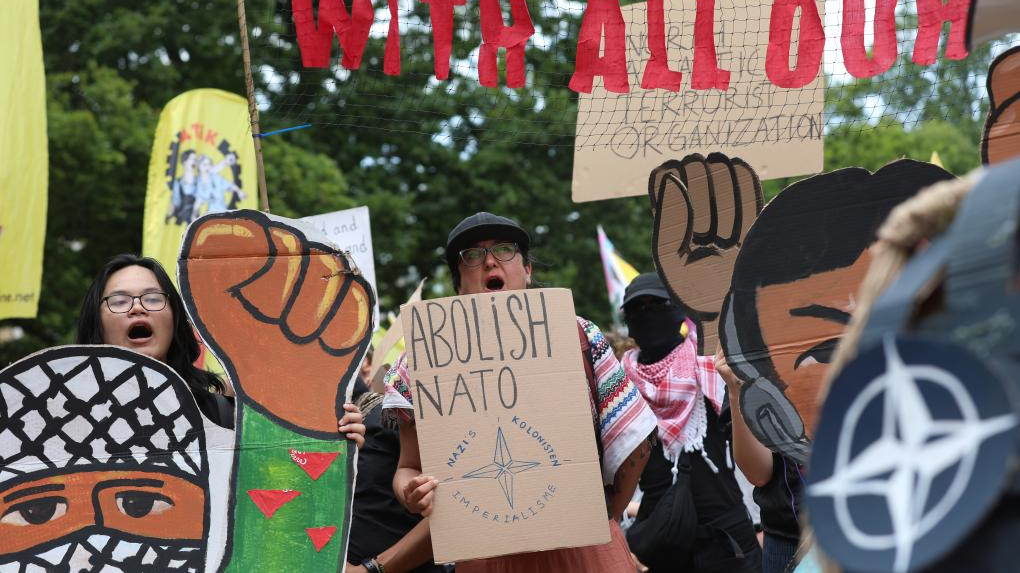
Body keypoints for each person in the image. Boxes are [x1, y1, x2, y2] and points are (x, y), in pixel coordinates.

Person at [382, 212, 657, 572]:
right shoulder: (423, 359)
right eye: (473, 256)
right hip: (484, 556)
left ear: (527, 270)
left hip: (585, 552)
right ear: (458, 284)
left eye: (504, 250)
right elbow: (407, 467)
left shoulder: (578, 337)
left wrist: (606, 516)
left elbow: (633, 441)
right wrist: (410, 493)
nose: (491, 261)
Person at [75, 254, 365, 442]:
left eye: (152, 299)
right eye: (120, 301)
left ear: (175, 319)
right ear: (96, 321)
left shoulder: (226, 418)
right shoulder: (63, 417)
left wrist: (332, 437)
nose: (138, 308)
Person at [620, 273, 762, 573]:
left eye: (657, 305)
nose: (648, 315)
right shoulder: (620, 386)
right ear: (628, 322)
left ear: (678, 310)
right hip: (662, 546)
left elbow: (750, 440)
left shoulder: (710, 367)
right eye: (638, 309)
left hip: (727, 542)